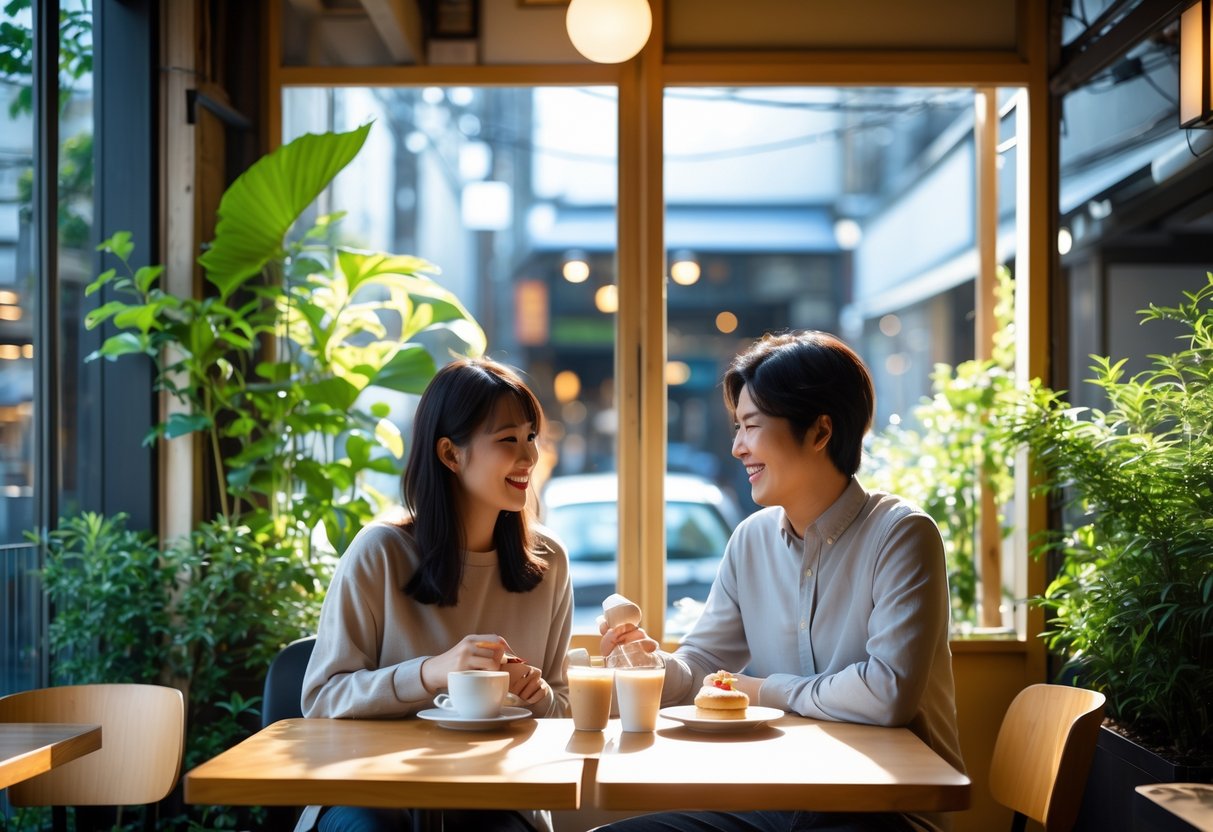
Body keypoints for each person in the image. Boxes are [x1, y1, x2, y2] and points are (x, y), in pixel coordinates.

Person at [599, 331, 964, 832]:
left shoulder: (902, 535)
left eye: (751, 426)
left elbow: (887, 693)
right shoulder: (750, 540)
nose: (736, 447)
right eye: (737, 427)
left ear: (819, 432)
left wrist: (764, 690)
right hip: (775, 798)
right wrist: (649, 664)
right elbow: (702, 668)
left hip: (883, 808)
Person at [298, 357, 573, 832]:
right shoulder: (380, 552)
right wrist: (431, 673)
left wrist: (541, 697)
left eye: (530, 437)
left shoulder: (548, 562)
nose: (529, 457)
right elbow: (321, 699)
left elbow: (564, 711)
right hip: (373, 793)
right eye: (508, 440)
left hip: (498, 795)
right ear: (450, 454)